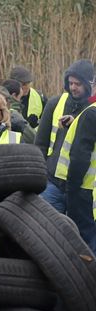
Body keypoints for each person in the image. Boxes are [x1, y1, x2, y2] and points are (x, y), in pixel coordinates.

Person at [37, 59, 94, 214]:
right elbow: (40, 143)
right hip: (52, 183)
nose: (73, 87)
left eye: (78, 84)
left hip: (83, 188)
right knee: (48, 231)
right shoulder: (55, 103)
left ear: (89, 85)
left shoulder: (92, 110)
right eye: (70, 83)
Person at [55, 79, 96, 250]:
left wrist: (71, 189)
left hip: (85, 190)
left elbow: (80, 157)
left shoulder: (91, 113)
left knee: (86, 245)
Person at [0, 79, 35, 144]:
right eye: (20, 97)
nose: (20, 101)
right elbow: (34, 138)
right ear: (14, 95)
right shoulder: (14, 115)